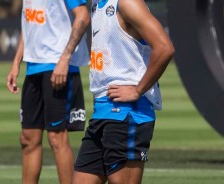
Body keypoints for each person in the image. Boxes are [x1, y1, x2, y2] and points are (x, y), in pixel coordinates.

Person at [72, 0, 175, 184]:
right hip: (102, 113)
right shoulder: (97, 4)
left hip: (127, 114)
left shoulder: (127, 3)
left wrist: (137, 90)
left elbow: (164, 48)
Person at [6, 0, 90, 183]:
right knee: (28, 138)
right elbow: (30, 24)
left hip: (58, 67)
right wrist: (16, 63)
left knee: (56, 137)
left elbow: (83, 15)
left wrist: (64, 59)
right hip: (34, 67)